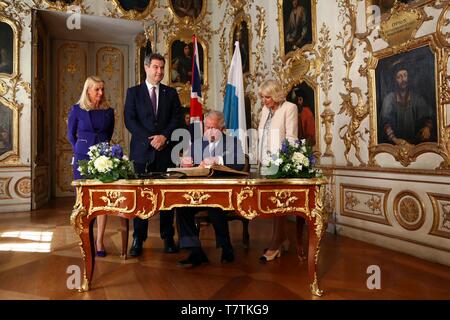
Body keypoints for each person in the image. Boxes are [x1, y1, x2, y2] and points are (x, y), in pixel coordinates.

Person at [124, 53, 182, 257]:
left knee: (167, 197)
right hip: (142, 153)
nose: (159, 72)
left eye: (162, 68)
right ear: (146, 68)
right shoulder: (134, 93)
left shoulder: (170, 93)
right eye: (156, 67)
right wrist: (151, 139)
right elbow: (129, 121)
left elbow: (177, 119)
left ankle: (168, 237)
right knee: (142, 198)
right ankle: (139, 238)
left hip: (166, 153)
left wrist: (164, 137)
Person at [176, 111, 245, 268]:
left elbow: (239, 162)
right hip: (198, 193)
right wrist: (184, 162)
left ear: (222, 129)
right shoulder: (198, 143)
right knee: (181, 208)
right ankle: (195, 251)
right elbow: (189, 166)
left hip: (223, 194)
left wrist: (218, 160)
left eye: (213, 128)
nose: (210, 131)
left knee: (215, 207)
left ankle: (226, 247)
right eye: (207, 127)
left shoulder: (232, 142)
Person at [67, 76, 114, 257]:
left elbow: (108, 134)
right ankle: (85, 240)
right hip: (82, 159)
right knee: (84, 202)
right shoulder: (77, 110)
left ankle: (99, 241)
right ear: (88, 91)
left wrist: (101, 150)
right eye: (97, 90)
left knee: (102, 201)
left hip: (104, 158)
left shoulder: (108, 111)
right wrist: (82, 148)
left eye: (102, 89)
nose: (101, 93)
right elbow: (71, 135)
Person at [257, 79, 298, 262]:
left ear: (276, 95)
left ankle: (276, 242)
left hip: (280, 162)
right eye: (262, 97)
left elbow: (291, 137)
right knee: (272, 204)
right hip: (265, 162)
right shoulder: (265, 110)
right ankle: (280, 238)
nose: (264, 100)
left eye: (267, 97)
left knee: (279, 203)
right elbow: (262, 136)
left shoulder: (289, 108)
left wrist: (283, 162)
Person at [379, 63, 434, 145]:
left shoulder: (417, 98)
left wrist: (427, 128)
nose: (403, 79)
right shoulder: (389, 99)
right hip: (395, 145)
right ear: (395, 80)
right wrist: (395, 140)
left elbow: (429, 116)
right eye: (399, 77)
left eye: (405, 75)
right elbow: (385, 123)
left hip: (416, 145)